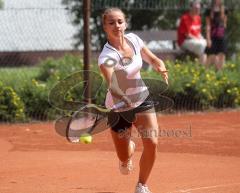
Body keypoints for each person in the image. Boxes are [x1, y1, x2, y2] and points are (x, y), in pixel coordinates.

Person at [98, 7, 168, 193]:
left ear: (125, 23)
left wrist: (160, 66)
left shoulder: (134, 40)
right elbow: (112, 84)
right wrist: (123, 96)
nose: (117, 26)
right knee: (124, 155)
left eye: (120, 21)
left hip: (142, 98)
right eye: (111, 22)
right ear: (105, 27)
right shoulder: (108, 57)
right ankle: (127, 153)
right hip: (119, 107)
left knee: (152, 143)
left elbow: (152, 59)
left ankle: (141, 185)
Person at [177, 0, 207, 64]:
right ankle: (200, 66)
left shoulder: (198, 18)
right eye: (196, 8)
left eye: (199, 8)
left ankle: (200, 66)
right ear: (191, 8)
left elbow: (198, 32)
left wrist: (201, 38)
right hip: (184, 41)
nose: (198, 10)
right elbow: (187, 35)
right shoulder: (185, 18)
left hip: (195, 41)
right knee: (201, 46)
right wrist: (198, 39)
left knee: (204, 43)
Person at [205, 0, 228, 70]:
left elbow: (225, 24)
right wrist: (208, 38)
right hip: (212, 36)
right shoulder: (209, 10)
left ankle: (220, 74)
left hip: (222, 36)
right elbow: (208, 25)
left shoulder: (225, 9)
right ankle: (204, 73)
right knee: (211, 56)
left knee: (222, 55)